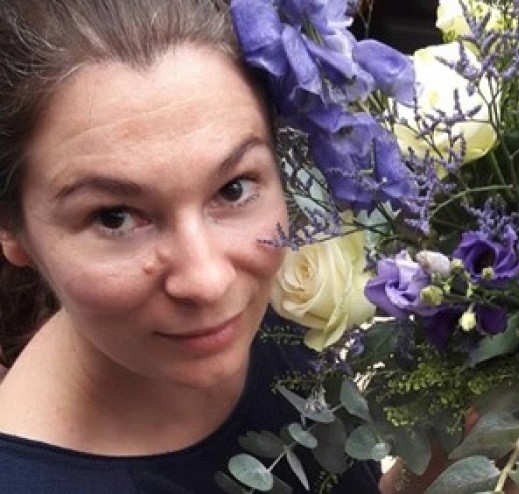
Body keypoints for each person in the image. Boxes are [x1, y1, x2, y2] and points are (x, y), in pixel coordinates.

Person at [0, 1, 384, 492]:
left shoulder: (292, 310)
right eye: (114, 217)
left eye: (233, 189)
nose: (209, 282)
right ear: (10, 227)